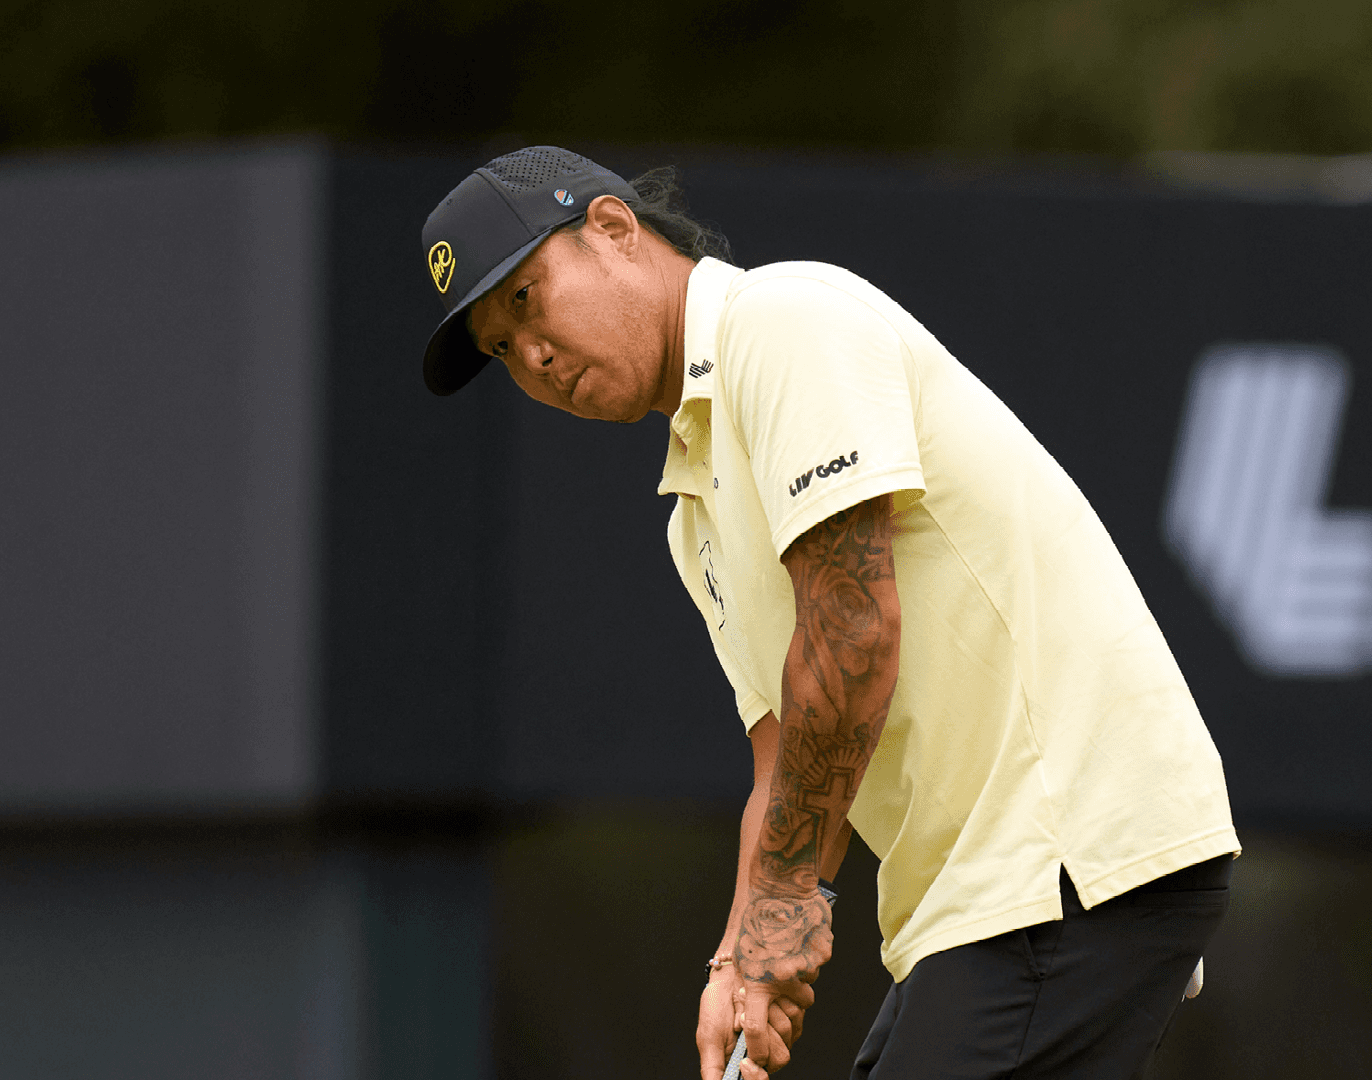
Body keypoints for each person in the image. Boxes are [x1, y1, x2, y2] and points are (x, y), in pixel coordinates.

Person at [418, 146, 1240, 1079]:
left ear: (612, 229)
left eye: (527, 299)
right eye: (500, 347)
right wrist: (740, 961)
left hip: (1067, 852)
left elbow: (850, 628)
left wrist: (782, 898)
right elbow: (783, 754)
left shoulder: (781, 321)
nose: (531, 355)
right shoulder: (693, 511)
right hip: (989, 894)